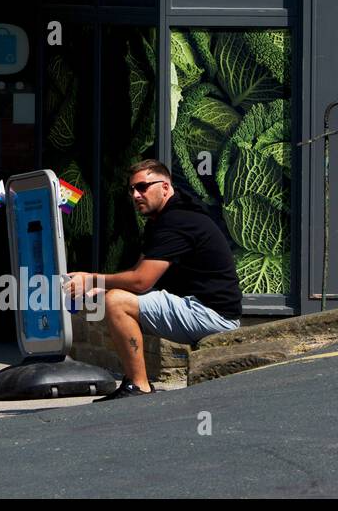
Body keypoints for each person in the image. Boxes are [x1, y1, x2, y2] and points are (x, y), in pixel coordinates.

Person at [63, 159, 242, 400]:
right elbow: (141, 271)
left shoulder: (177, 220)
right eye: (132, 189)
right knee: (114, 296)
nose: (136, 195)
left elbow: (141, 281)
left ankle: (139, 386)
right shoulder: (163, 220)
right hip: (196, 306)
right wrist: (103, 286)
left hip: (211, 315)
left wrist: (93, 280)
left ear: (165, 187)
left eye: (143, 187)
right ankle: (135, 381)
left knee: (117, 302)